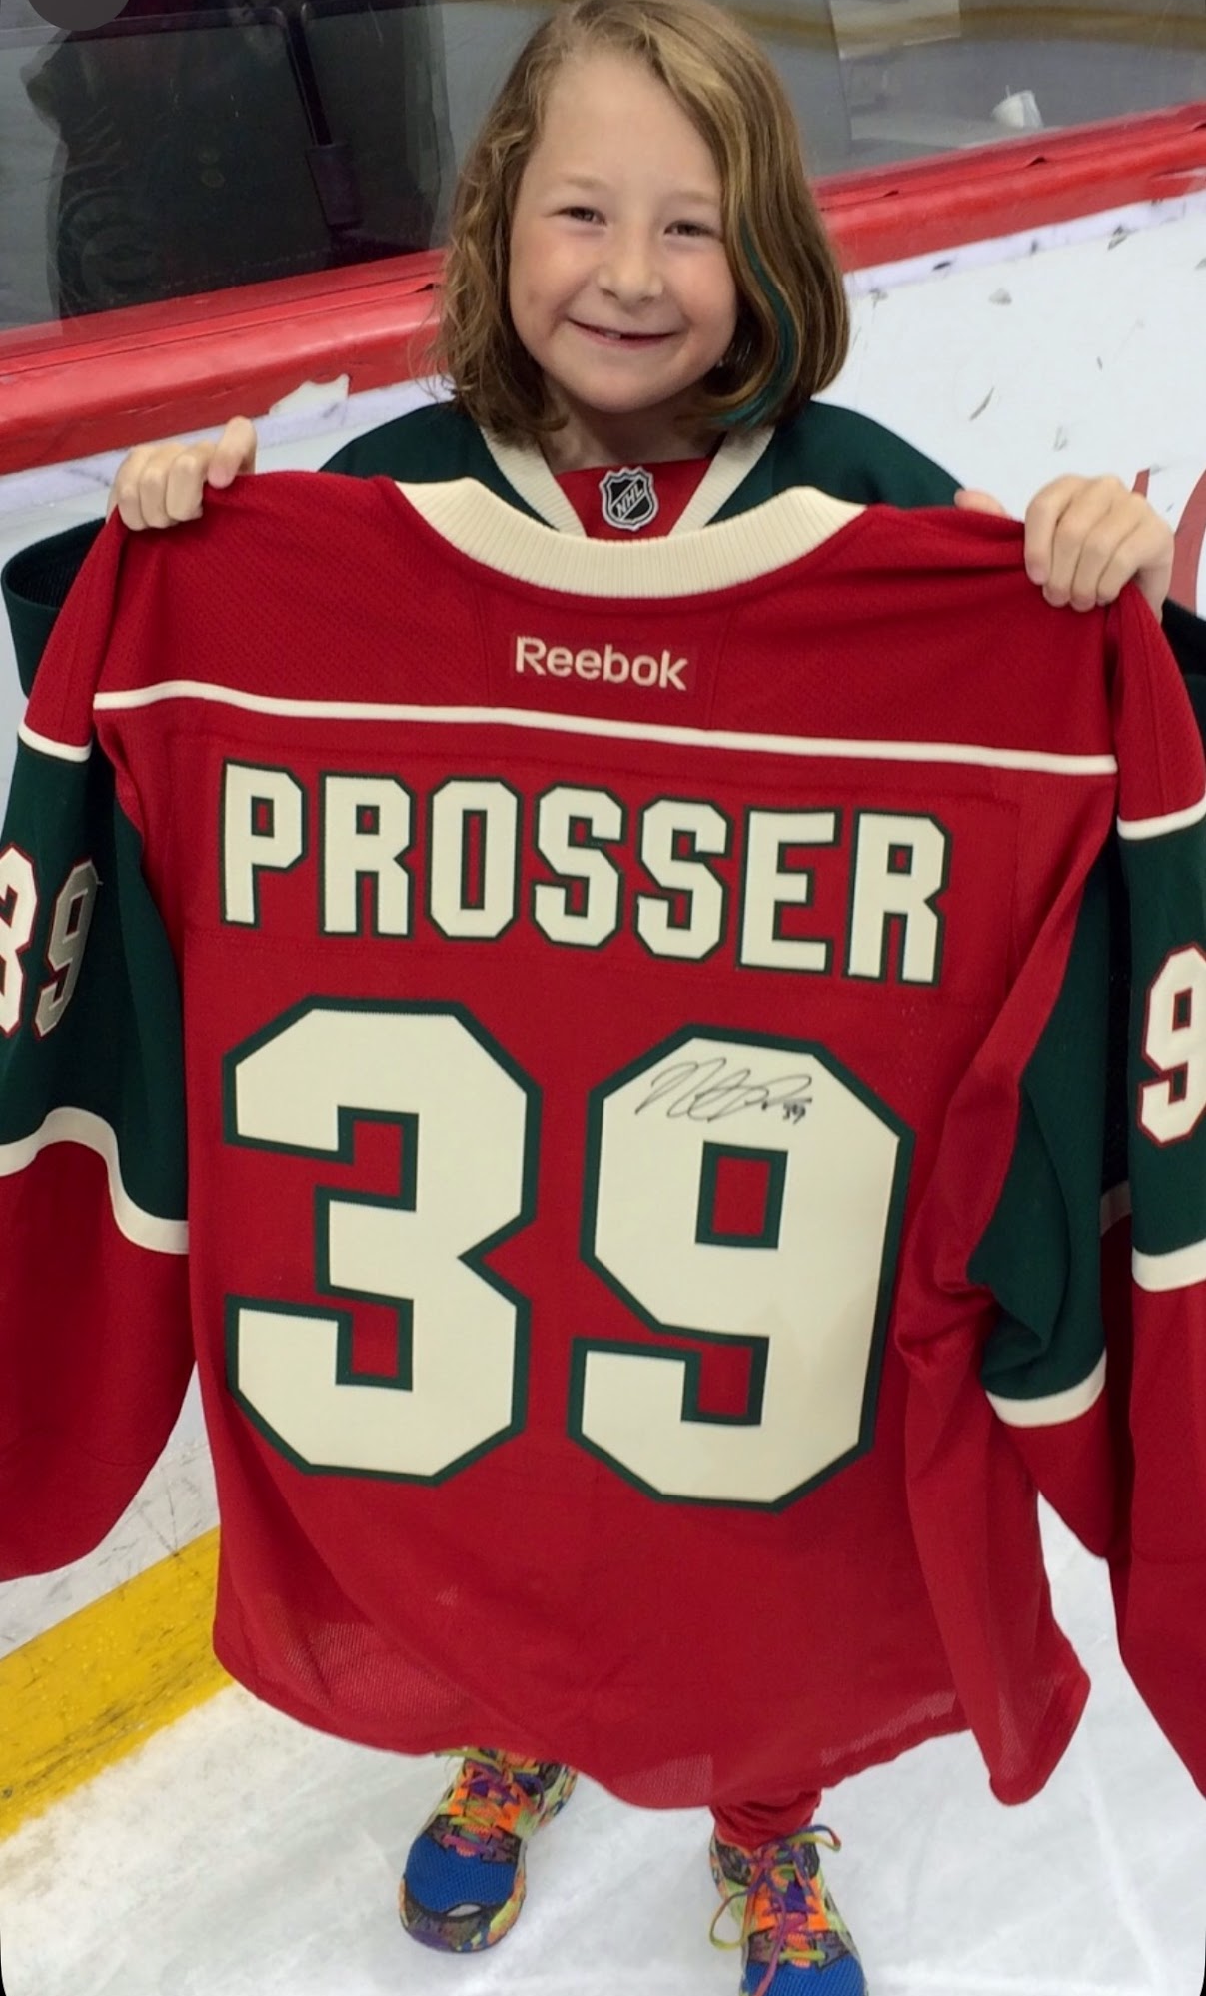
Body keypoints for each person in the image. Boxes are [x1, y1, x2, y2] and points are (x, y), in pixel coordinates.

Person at [2, 4, 1198, 1993]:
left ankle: (766, 1816)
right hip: (487, 1323)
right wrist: (170, 535)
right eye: (580, 211)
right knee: (501, 1531)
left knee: (768, 1585)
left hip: (759, 1320)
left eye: (692, 224)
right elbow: (118, 710)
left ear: (772, 251)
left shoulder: (885, 529)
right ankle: (516, 1724)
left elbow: (1099, 790)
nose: (630, 272)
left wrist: (1110, 579)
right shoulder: (359, 520)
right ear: (492, 221)